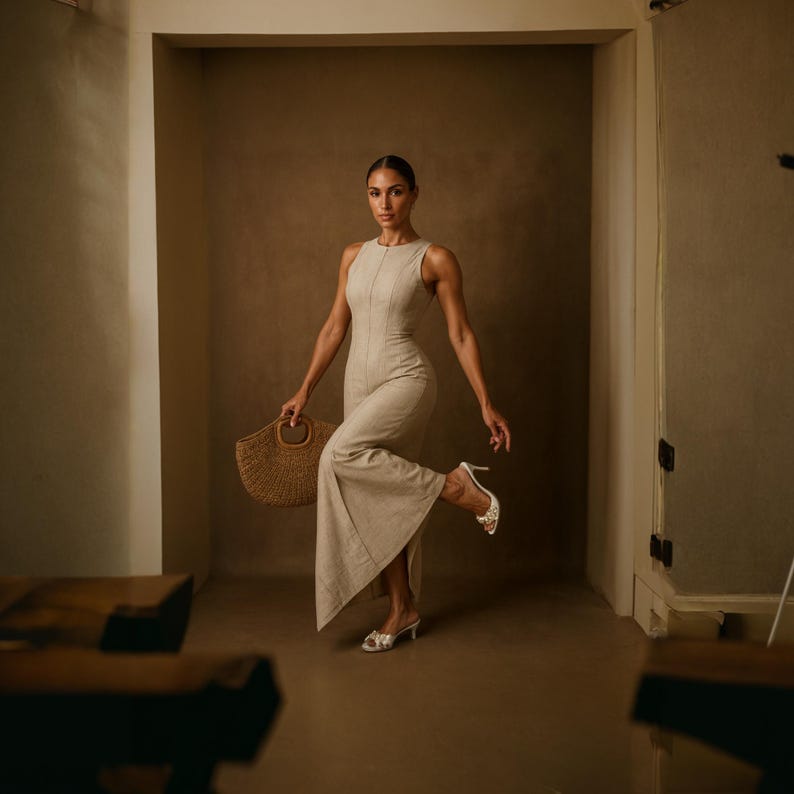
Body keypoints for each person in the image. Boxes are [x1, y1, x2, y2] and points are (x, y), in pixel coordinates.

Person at [281, 154, 511, 652]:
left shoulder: (435, 258)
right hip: (356, 385)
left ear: (414, 194)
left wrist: (485, 403)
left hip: (405, 380)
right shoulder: (353, 254)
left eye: (395, 191)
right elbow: (334, 327)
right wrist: (304, 390)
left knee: (338, 457)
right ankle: (402, 608)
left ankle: (455, 486)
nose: (384, 203)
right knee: (376, 494)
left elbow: (461, 333)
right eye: (374, 192)